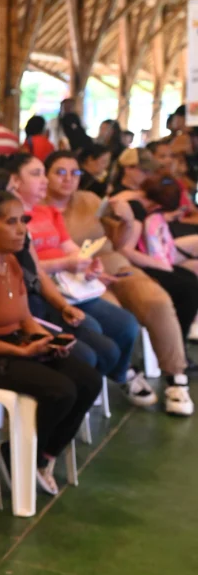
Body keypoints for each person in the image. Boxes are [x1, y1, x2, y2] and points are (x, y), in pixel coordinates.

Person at [0, 190, 103, 494]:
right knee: (61, 391)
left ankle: (43, 455)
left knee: (89, 379)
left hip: (15, 345)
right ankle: (14, 454)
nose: (22, 230)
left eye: (23, 221)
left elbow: (25, 318)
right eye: (12, 222)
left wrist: (48, 340)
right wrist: (21, 350)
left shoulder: (12, 262)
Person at [44, 152, 192, 409]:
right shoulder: (39, 208)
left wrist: (125, 221)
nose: (69, 179)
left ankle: (176, 377)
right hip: (75, 276)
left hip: (111, 259)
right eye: (60, 172)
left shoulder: (89, 200)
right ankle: (126, 372)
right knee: (115, 315)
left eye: (75, 172)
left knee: (156, 300)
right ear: (46, 176)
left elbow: (119, 241)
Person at [8, 152, 139, 382]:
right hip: (46, 291)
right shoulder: (11, 220)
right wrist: (66, 264)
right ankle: (90, 385)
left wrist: (88, 264)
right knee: (93, 330)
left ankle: (117, 379)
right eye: (37, 174)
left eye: (74, 172)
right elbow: (28, 269)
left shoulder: (48, 212)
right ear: (15, 181)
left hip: (72, 286)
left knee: (127, 325)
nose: (45, 181)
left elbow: (71, 248)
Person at [110, 176, 198, 415]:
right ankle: (175, 354)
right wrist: (162, 267)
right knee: (186, 288)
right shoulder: (138, 209)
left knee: (191, 282)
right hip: (138, 266)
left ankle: (179, 346)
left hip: (154, 258)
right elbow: (125, 248)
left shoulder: (145, 208)